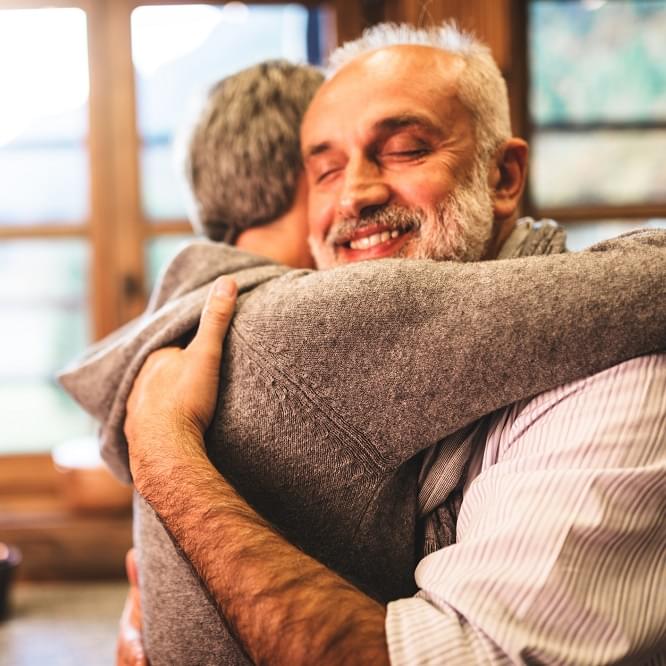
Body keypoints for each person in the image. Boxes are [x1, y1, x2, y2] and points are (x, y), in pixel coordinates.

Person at [61, 23, 666, 666]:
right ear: (298, 188)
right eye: (325, 168)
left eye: (404, 149)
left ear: (504, 175)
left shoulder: (191, 319)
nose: (356, 192)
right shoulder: (299, 326)